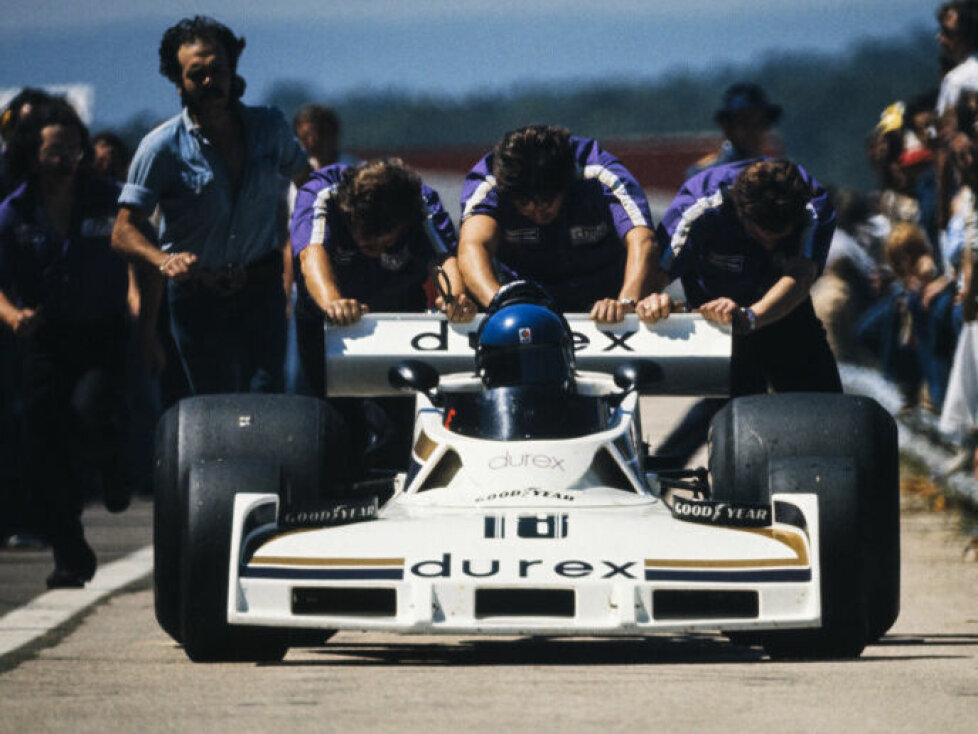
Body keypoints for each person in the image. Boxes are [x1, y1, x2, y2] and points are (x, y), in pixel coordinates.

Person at [111, 16, 310, 395]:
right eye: (196, 73)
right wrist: (162, 261)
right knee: (213, 402)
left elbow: (309, 185)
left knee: (267, 394)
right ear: (178, 82)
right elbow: (123, 230)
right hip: (197, 296)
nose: (209, 81)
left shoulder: (270, 127)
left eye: (217, 70)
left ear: (232, 70)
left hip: (261, 286)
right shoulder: (161, 147)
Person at [0, 100, 132, 587]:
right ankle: (71, 555)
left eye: (74, 150)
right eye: (55, 152)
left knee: (92, 408)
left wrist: (141, 301)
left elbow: (141, 244)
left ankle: (115, 464)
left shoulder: (109, 199)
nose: (67, 160)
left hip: (100, 332)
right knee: (43, 448)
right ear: (33, 156)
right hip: (44, 338)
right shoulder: (13, 213)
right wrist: (14, 315)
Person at [637, 159, 840, 463]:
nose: (770, 245)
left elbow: (802, 274)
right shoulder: (700, 203)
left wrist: (750, 316)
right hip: (716, 320)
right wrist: (651, 300)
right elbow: (657, 272)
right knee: (736, 425)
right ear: (740, 210)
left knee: (825, 416)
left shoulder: (813, 205)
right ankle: (684, 470)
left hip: (786, 310)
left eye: (780, 236)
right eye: (761, 235)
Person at [290, 158, 474, 471]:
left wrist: (455, 299)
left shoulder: (422, 201)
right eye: (361, 231)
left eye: (382, 235)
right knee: (328, 420)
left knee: (398, 422)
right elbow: (311, 253)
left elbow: (445, 258)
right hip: (328, 319)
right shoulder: (321, 193)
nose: (369, 241)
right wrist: (334, 302)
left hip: (396, 313)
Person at [458, 124, 655, 322]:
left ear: (567, 183)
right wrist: (500, 304)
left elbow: (643, 241)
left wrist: (627, 302)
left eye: (546, 202)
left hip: (605, 302)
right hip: (523, 305)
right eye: (524, 203)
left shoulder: (598, 171)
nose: (535, 211)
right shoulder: (490, 179)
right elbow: (473, 246)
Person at [685, 82, 782, 180]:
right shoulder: (704, 176)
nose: (754, 132)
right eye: (746, 124)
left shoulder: (777, 176)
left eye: (760, 123)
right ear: (727, 128)